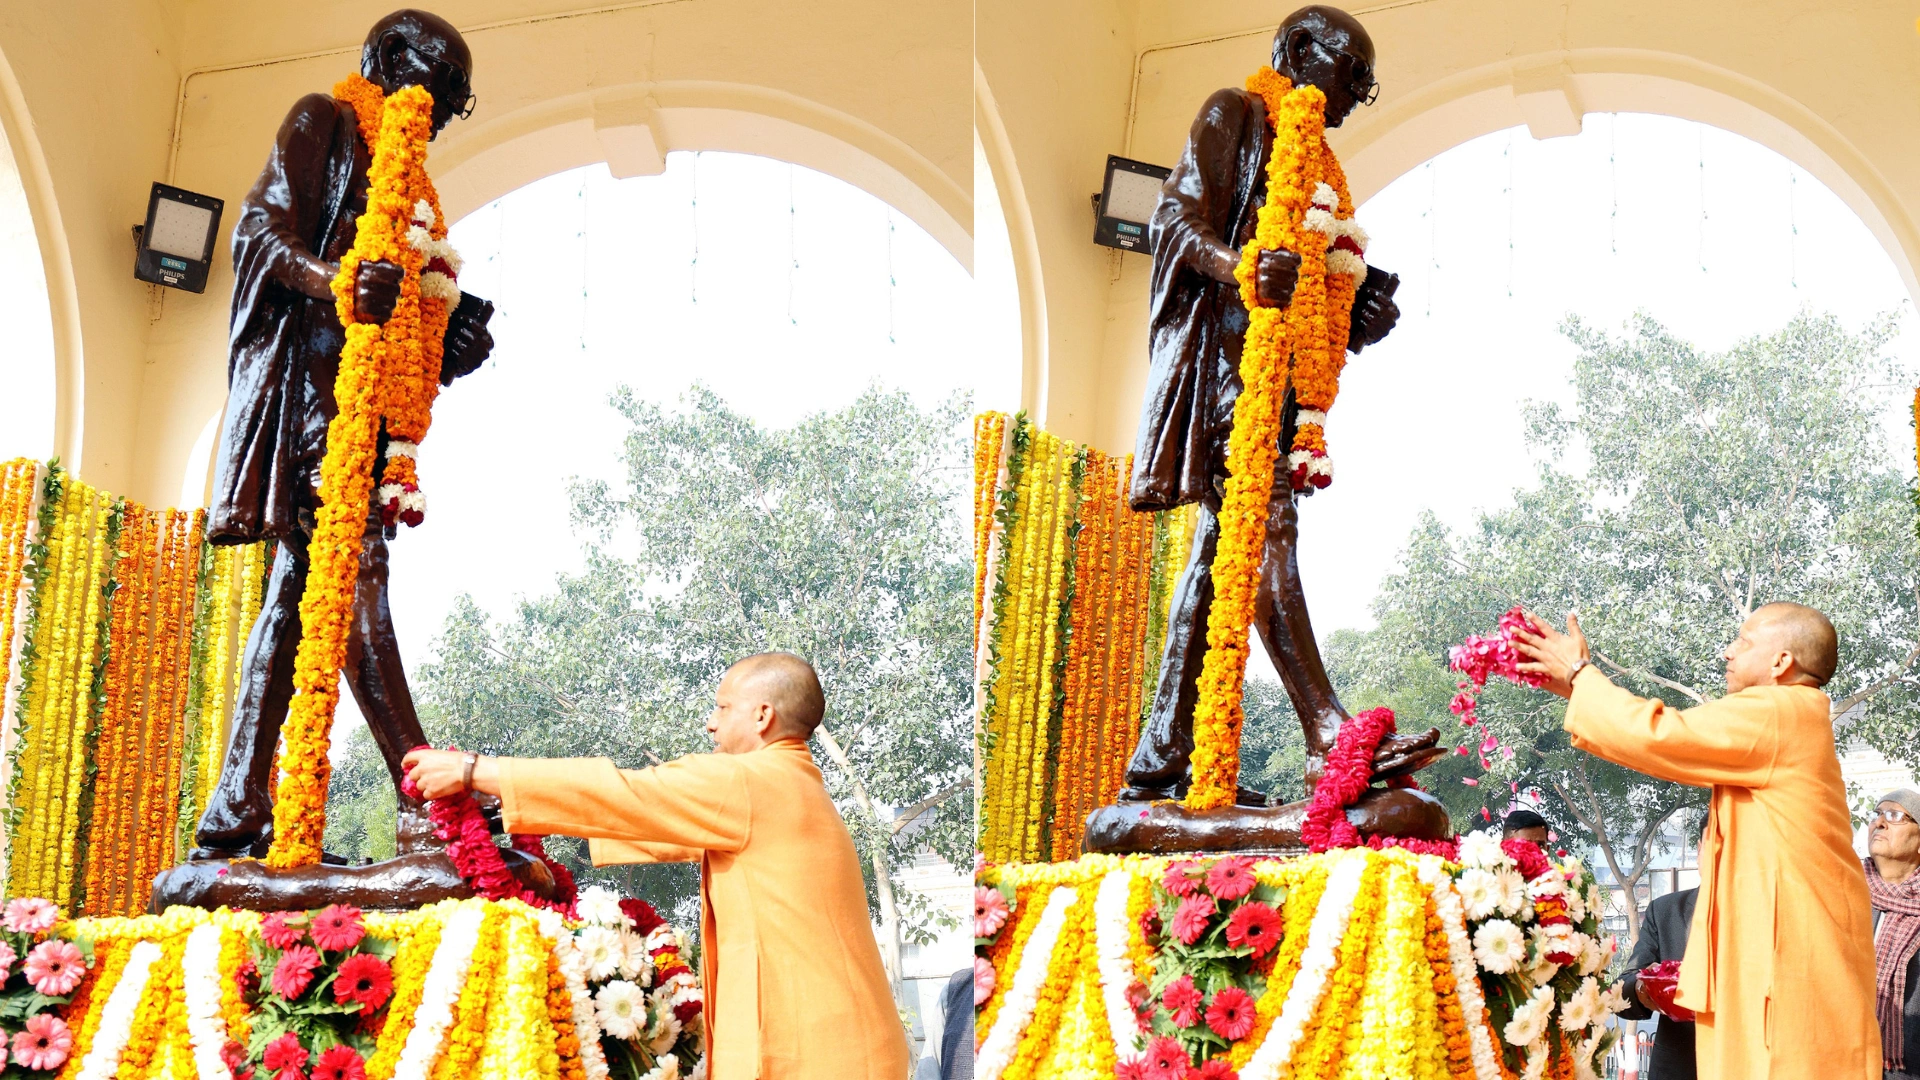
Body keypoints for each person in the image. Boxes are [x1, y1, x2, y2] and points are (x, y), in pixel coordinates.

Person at [1118, 4, 1440, 810]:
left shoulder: (1324, 168)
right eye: (1352, 74)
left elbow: (1315, 284)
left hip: (1283, 382)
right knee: (1264, 533)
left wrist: (1357, 312)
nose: (1357, 94)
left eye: (1367, 85)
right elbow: (1175, 222)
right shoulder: (1237, 112)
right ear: (1299, 49)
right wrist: (1242, 267)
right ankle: (1328, 732)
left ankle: (1160, 765)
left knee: (1219, 561)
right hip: (1231, 376)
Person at [194, 8, 496, 860]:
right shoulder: (322, 119)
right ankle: (427, 795)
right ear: (387, 59)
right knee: (350, 571)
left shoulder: (415, 192)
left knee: (295, 606)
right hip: (307, 408)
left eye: (455, 100)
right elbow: (259, 233)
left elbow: (395, 328)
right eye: (437, 84)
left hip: (362, 410)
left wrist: (451, 346)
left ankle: (235, 818)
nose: (439, 109)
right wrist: (336, 281)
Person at [402, 652, 909, 1080]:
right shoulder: (793, 783)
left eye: (722, 707)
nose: (711, 722)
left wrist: (476, 771)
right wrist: (523, 814)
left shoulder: (750, 780)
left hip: (815, 1052)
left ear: (761, 716)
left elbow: (631, 792)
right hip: (845, 1043)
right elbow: (652, 827)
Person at [1513, 602, 1880, 1078]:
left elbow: (1660, 736)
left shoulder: (1781, 711)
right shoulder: (1789, 718)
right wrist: (1575, 687)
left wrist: (1582, 675)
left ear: (1780, 662)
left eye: (1743, 641)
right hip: (1781, 961)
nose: (1727, 652)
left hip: (1792, 966)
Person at [1617, 887, 1699, 1080]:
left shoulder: (1772, 906)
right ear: (1698, 856)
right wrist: (1642, 988)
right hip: (1679, 1068)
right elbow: (1622, 986)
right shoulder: (1665, 910)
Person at [1869, 789, 1920, 1079]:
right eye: (1877, 814)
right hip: (1838, 1059)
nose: (1880, 822)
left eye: (1895, 815)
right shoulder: (1841, 891)